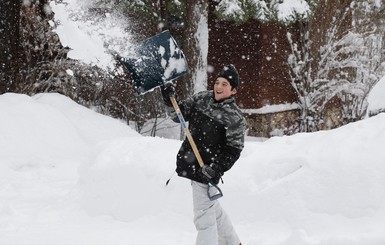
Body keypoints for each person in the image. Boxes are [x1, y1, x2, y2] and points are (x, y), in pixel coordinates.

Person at [161, 64, 247, 245]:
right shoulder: (202, 99)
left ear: (233, 91)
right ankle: (232, 242)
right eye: (217, 82)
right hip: (191, 164)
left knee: (204, 218)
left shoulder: (235, 117)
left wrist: (216, 169)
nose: (219, 87)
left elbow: (233, 149)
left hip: (207, 170)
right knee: (212, 210)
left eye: (225, 84)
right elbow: (179, 115)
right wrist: (169, 99)